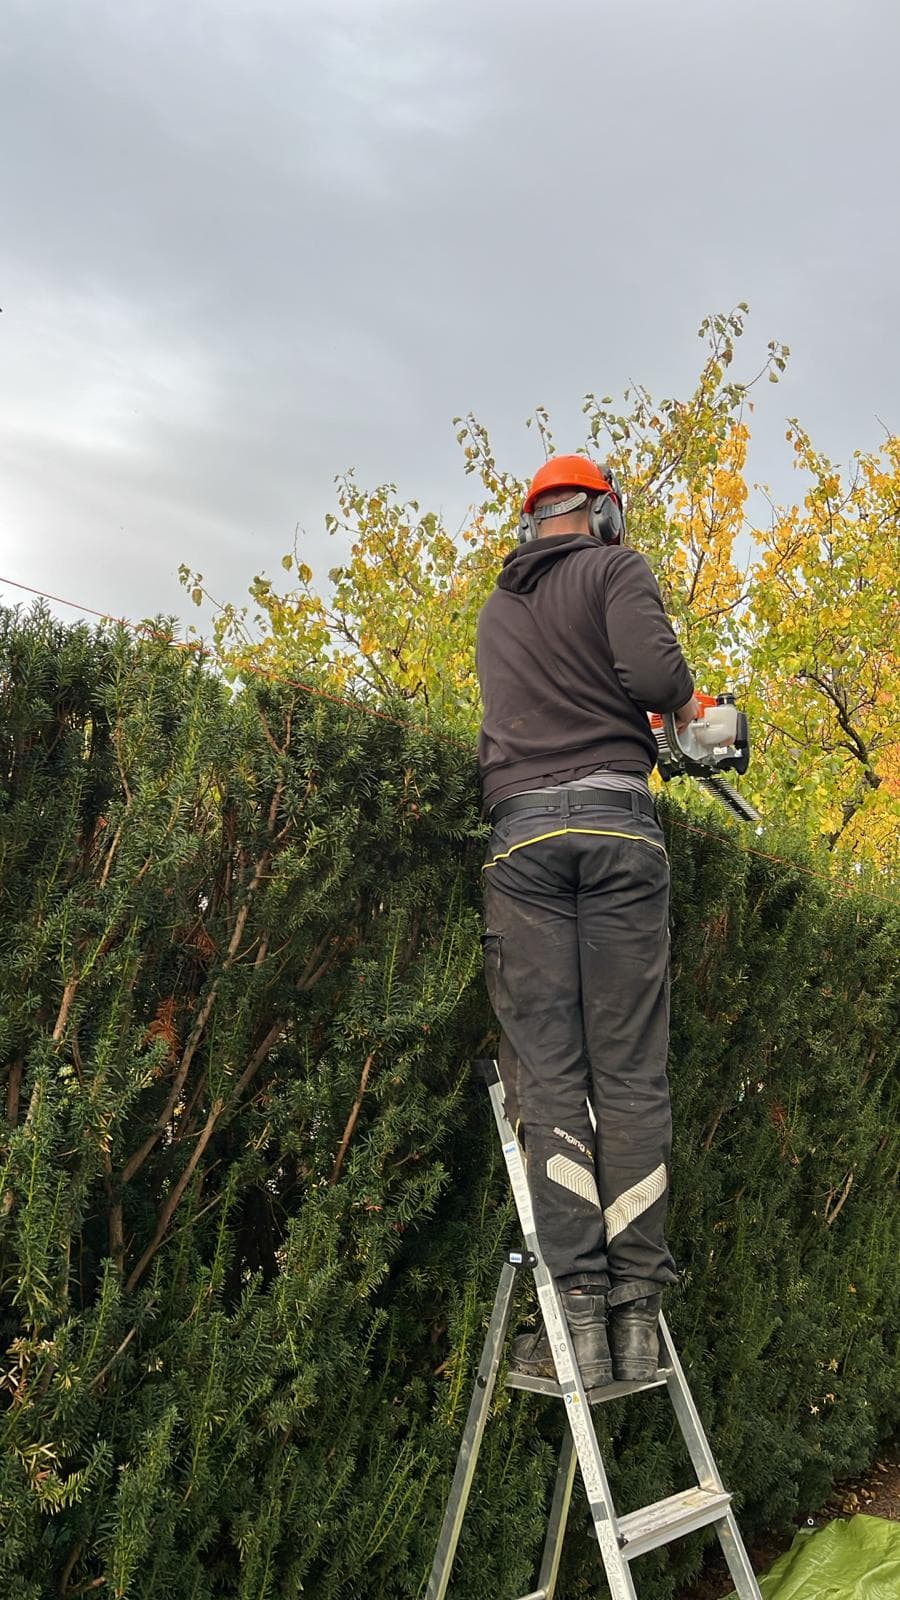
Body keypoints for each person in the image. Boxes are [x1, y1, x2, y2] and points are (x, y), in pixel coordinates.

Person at [476, 454, 699, 1388]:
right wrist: (688, 711)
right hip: (614, 833)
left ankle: (573, 1317)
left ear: (534, 522)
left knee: (553, 1077)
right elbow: (652, 671)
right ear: (602, 513)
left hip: (521, 843)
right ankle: (637, 1318)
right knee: (630, 1072)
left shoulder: (497, 610)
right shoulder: (618, 568)